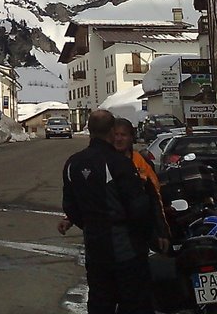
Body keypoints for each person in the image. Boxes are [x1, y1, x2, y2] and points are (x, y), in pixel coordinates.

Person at [58, 109, 153, 314]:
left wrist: (90, 224)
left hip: (94, 247)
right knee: (134, 302)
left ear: (90, 130)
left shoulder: (73, 163)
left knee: (100, 301)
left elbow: (70, 206)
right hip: (124, 247)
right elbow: (138, 206)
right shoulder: (119, 162)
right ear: (111, 131)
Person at [112, 117, 170, 254]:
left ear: (131, 138)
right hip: (112, 233)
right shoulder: (102, 160)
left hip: (140, 231)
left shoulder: (141, 162)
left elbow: (155, 198)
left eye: (123, 135)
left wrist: (162, 232)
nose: (119, 139)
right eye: (116, 134)